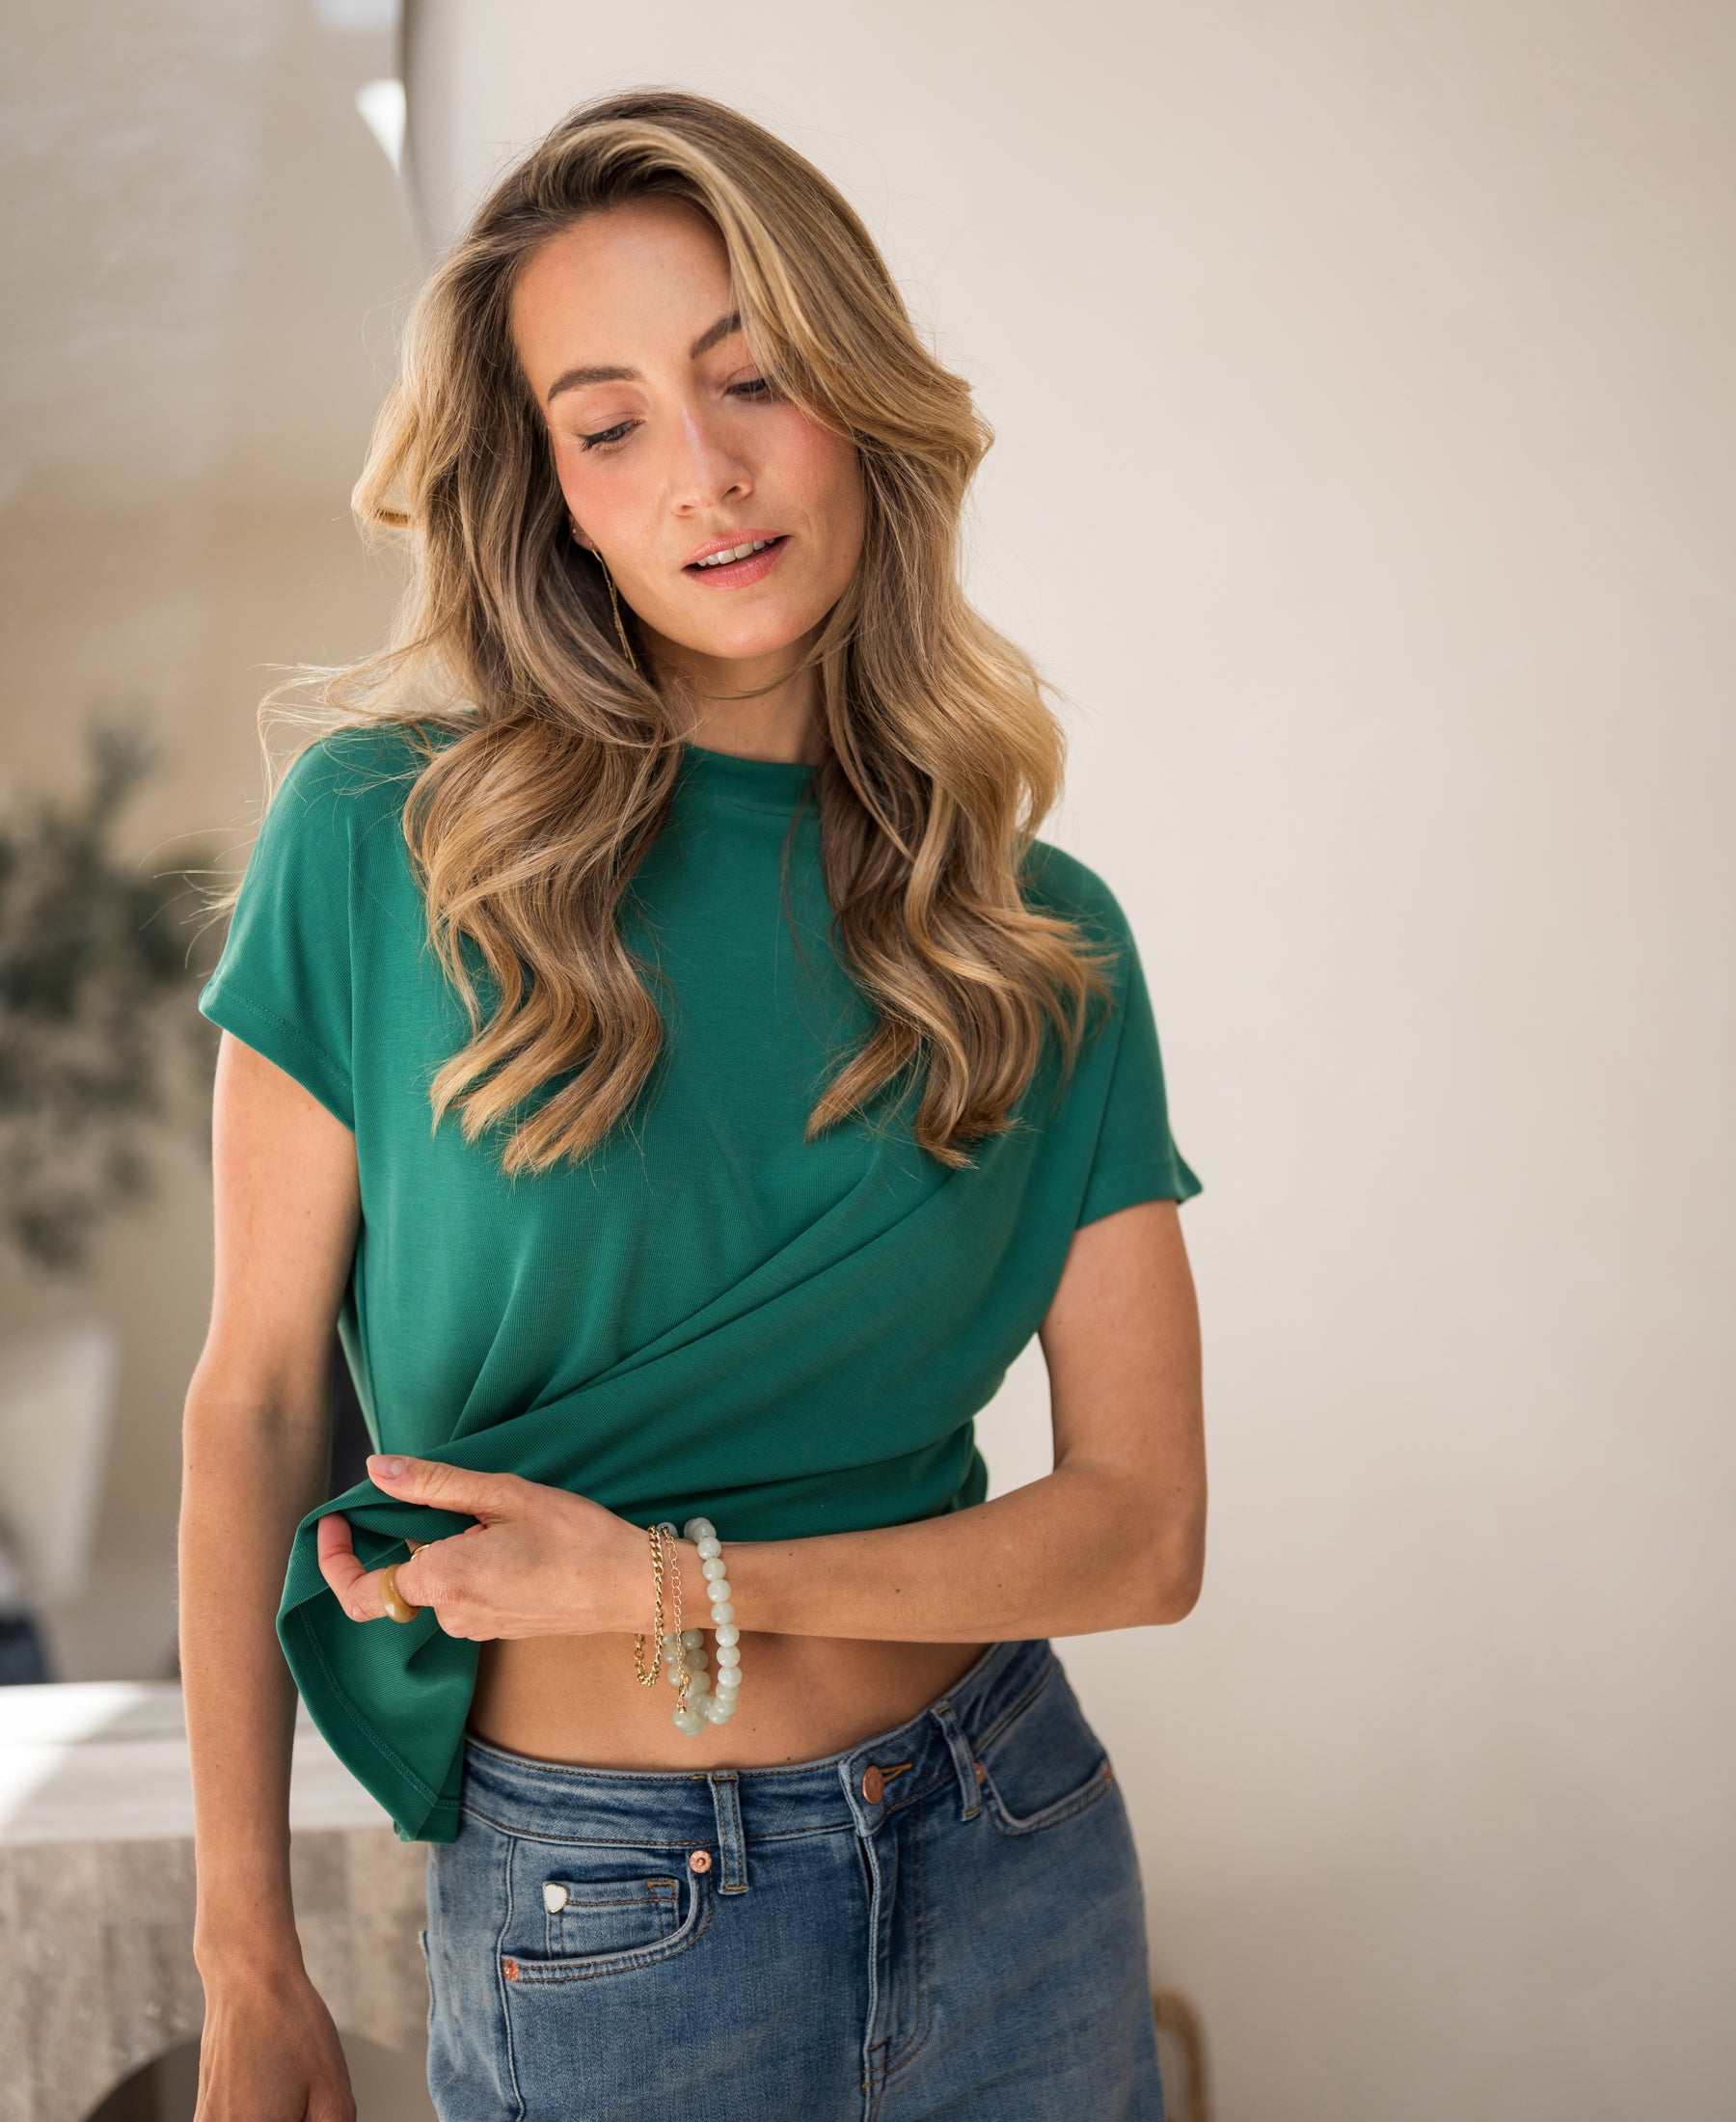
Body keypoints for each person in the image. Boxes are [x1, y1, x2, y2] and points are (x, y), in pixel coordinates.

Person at [178, 86, 1207, 2122]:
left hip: (1013, 1845)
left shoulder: (1033, 936)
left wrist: (676, 1586)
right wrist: (245, 1950)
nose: (707, 474)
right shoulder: (381, 846)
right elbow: (258, 1405)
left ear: (859, 406)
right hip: (611, 1913)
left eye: (754, 380)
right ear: (547, 489)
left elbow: (1144, 1530)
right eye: (611, 422)